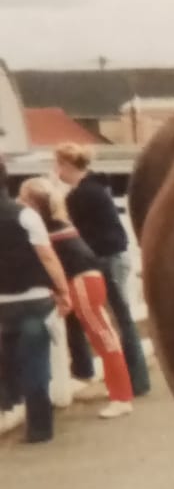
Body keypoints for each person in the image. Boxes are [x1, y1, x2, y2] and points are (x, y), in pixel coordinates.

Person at [18, 178, 134, 419]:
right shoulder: (57, 223)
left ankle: (121, 397)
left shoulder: (45, 228)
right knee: (105, 337)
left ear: (33, 203)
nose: (18, 201)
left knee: (104, 339)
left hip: (81, 282)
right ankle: (119, 392)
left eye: (22, 197)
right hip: (87, 280)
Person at [54, 142, 151, 397]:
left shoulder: (79, 196)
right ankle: (135, 378)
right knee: (121, 319)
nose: (56, 171)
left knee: (117, 321)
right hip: (116, 255)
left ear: (67, 165)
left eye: (58, 165)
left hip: (104, 259)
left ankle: (131, 380)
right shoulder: (97, 189)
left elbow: (75, 231)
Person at [0, 160, 71, 443]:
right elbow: (47, 256)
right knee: (35, 364)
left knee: (7, 363)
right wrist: (63, 291)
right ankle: (39, 428)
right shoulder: (26, 215)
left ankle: (8, 407)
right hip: (34, 299)